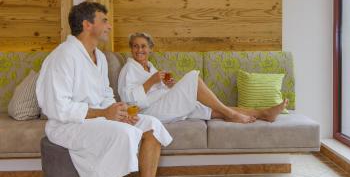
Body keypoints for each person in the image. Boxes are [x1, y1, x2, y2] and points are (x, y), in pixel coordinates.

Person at [36, 2, 180, 177]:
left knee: (151, 125)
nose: (109, 26)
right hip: (67, 125)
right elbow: (57, 108)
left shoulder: (99, 57)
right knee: (123, 134)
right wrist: (104, 113)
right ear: (87, 24)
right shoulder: (63, 56)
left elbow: (105, 95)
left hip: (97, 118)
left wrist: (119, 112)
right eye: (104, 20)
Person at [118, 32, 288, 124]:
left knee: (214, 111)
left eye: (143, 46)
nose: (139, 50)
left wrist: (169, 85)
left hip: (165, 103)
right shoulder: (128, 69)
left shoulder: (150, 67)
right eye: (135, 46)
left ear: (150, 49)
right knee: (193, 77)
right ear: (131, 49)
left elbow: (158, 90)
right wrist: (151, 81)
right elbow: (128, 101)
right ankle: (232, 114)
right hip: (152, 111)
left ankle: (264, 113)